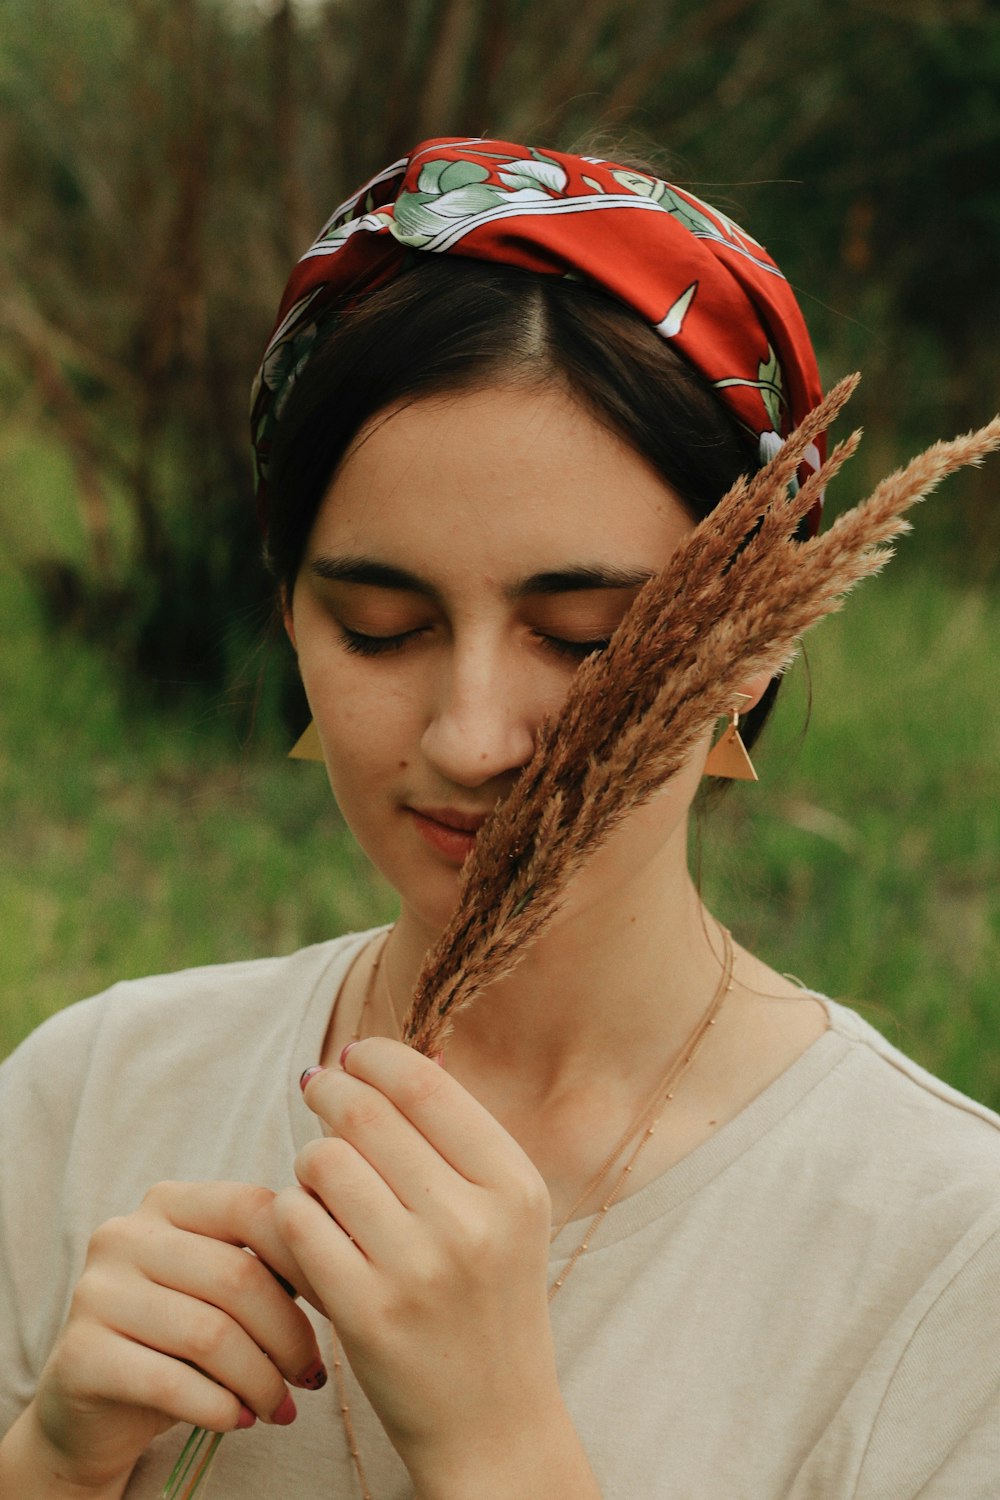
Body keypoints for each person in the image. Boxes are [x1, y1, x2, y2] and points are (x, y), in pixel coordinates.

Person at [1, 137, 998, 1500]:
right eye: (381, 626)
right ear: (291, 618)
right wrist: (54, 1463)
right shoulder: (91, 1099)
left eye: (586, 637)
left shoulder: (945, 1254)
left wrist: (499, 1448)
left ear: (752, 647)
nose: (472, 738)